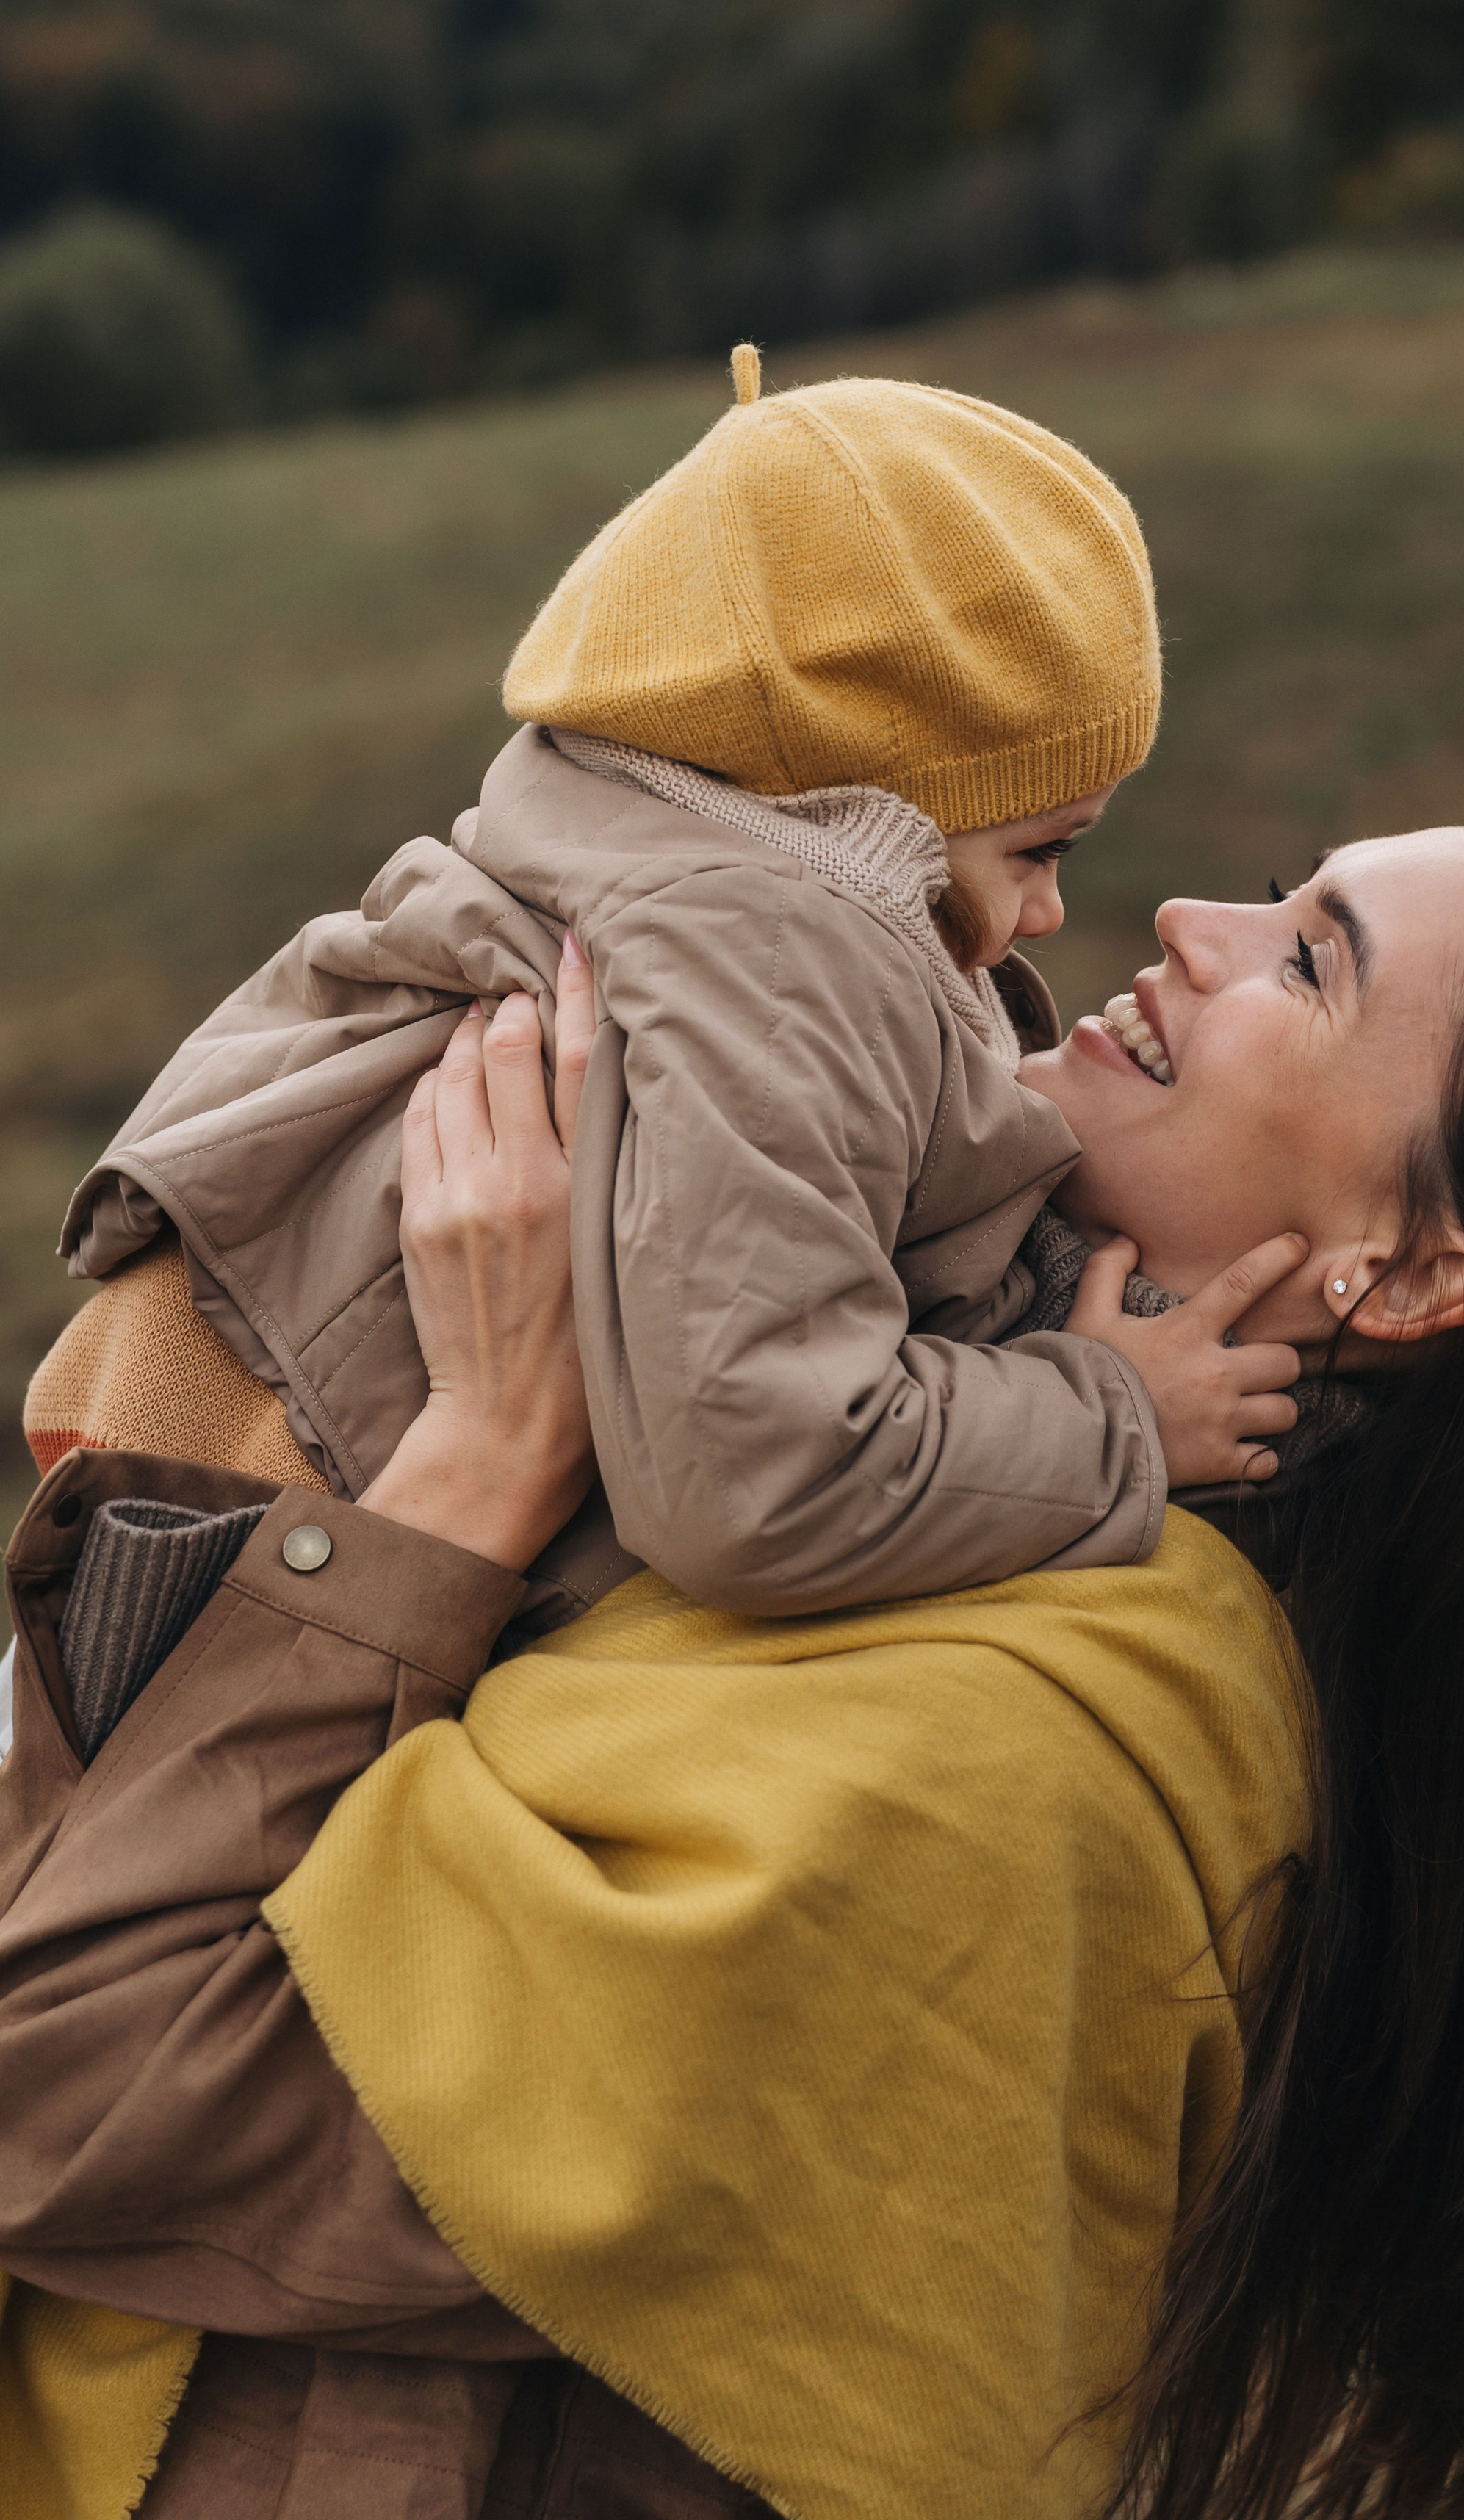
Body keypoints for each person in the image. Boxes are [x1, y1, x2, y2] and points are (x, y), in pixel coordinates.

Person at [0, 801, 1464, 2520]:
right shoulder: (923, 1548)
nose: (1190, 920)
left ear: (1404, 1274)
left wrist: (473, 1459)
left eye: (1316, 959)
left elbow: (74, 2084)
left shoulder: (1028, 1768)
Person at [22, 346, 1303, 1673]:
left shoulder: (643, 864)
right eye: (1043, 851)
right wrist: (1119, 1418)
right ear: (878, 800)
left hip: (172, 1506)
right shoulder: (779, 958)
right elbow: (763, 1478)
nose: (1043, 918)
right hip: (254, 1550)